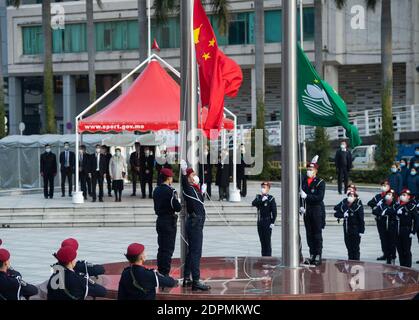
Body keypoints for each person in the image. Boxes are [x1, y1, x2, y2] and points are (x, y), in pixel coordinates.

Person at [180, 160, 211, 291]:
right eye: (192, 175)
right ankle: (196, 281)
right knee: (196, 252)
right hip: (194, 222)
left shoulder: (195, 189)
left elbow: (199, 203)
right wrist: (183, 172)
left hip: (197, 222)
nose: (195, 176)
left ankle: (187, 278)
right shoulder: (188, 187)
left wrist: (202, 192)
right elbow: (184, 182)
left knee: (192, 251)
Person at [153, 168, 181, 276]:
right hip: (169, 221)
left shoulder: (156, 190)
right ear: (169, 178)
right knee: (168, 249)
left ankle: (160, 271)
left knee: (161, 248)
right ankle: (165, 274)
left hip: (160, 220)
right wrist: (178, 201)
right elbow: (177, 207)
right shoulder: (171, 191)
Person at [299, 157, 326, 266]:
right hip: (307, 210)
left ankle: (318, 255)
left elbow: (319, 197)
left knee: (317, 234)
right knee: (309, 234)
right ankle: (312, 254)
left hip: (316, 210)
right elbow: (301, 196)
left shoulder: (320, 182)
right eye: (308, 170)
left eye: (311, 170)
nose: (309, 171)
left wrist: (307, 196)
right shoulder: (305, 182)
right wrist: (301, 206)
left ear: (316, 171)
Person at [334, 190, 365, 261]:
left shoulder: (358, 206)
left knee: (355, 247)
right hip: (346, 229)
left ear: (355, 197)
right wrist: (343, 215)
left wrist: (361, 231)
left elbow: (361, 219)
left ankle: (356, 262)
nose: (350, 197)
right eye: (349, 195)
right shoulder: (345, 205)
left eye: (352, 196)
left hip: (355, 229)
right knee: (348, 246)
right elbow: (336, 214)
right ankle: (350, 261)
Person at [394, 189, 419, 268]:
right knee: (400, 250)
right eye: (402, 195)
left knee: (406, 250)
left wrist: (413, 231)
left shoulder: (411, 206)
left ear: (409, 197)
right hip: (398, 230)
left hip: (406, 230)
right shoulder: (397, 206)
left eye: (405, 195)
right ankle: (402, 267)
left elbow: (416, 220)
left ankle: (408, 268)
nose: (403, 196)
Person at [252, 182, 277, 256]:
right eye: (262, 187)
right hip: (260, 221)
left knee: (267, 240)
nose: (263, 189)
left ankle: (268, 256)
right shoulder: (258, 197)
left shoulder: (271, 198)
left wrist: (273, 222)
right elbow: (254, 203)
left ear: (268, 189)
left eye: (264, 187)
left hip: (267, 221)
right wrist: (262, 200)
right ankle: (263, 256)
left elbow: (274, 211)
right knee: (262, 240)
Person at [372, 189, 397, 265]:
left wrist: (385, 212)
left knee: (392, 243)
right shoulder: (382, 204)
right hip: (382, 226)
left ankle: (393, 257)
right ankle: (387, 257)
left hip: (391, 226)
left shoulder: (395, 204)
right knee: (384, 242)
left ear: (393, 197)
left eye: (390, 195)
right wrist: (382, 213)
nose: (388, 196)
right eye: (387, 194)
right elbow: (375, 211)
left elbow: (394, 212)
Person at [368, 180, 391, 261]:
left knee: (390, 237)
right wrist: (375, 206)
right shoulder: (378, 196)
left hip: (388, 220)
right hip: (380, 220)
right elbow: (370, 203)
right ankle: (385, 253)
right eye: (383, 185)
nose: (384, 186)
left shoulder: (390, 195)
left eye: (386, 185)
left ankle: (390, 254)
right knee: (382, 238)